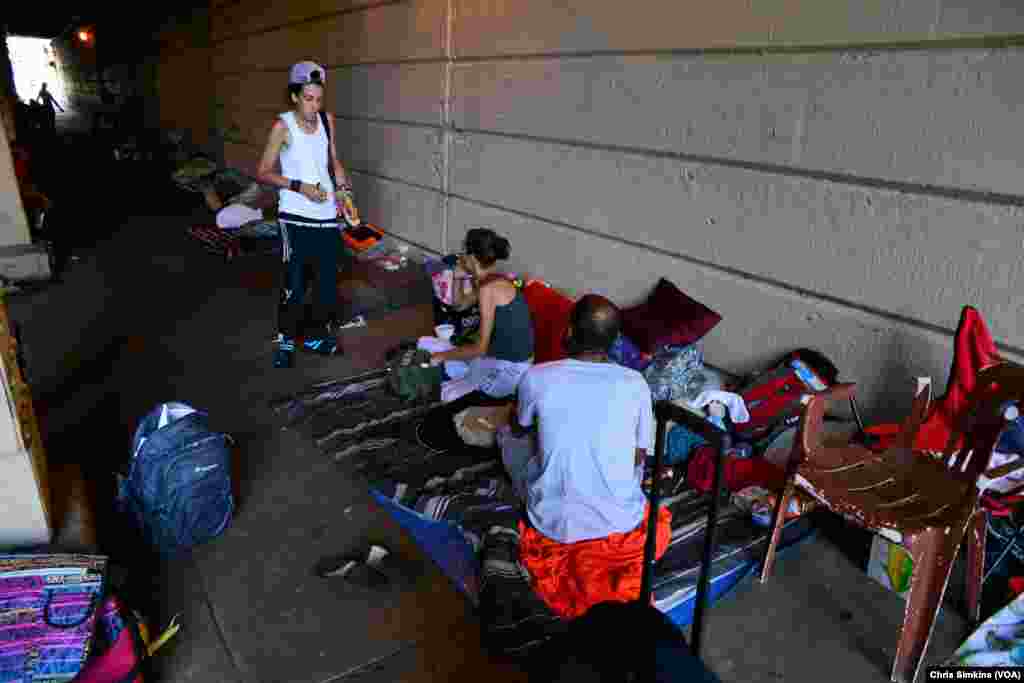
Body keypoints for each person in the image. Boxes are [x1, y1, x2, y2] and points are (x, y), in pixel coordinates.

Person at [500, 295, 672, 618]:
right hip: (621, 519)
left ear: (567, 332)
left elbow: (520, 429)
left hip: (556, 522)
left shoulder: (537, 377)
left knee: (509, 439)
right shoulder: (635, 383)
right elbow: (638, 457)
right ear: (615, 342)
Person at [256, 61, 359, 368]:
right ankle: (286, 341)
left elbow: (334, 161)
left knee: (327, 284)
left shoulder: (327, 121)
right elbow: (263, 172)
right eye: (308, 99)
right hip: (295, 217)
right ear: (294, 97)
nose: (314, 105)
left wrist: (344, 191)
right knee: (295, 284)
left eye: (318, 98)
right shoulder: (282, 127)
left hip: (327, 215)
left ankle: (313, 335)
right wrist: (300, 187)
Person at [426, 228, 534, 403]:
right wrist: (458, 277)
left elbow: (479, 349)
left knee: (447, 393)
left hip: (510, 370)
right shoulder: (490, 280)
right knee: (427, 343)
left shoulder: (488, 288)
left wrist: (442, 356)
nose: (460, 256)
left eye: (463, 252)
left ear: (471, 257)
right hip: (493, 358)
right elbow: (459, 305)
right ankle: (464, 377)